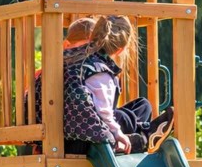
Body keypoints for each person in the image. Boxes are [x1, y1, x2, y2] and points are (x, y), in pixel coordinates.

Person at [63, 15, 174, 154]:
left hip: (73, 130)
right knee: (121, 116)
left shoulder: (77, 61)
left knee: (142, 105)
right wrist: (117, 133)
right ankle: (143, 137)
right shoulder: (99, 71)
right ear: (120, 50)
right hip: (84, 138)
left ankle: (141, 135)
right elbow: (103, 111)